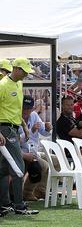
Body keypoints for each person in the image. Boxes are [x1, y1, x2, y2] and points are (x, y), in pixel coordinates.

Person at [0, 58, 39, 216]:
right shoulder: (2, 85)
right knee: (18, 167)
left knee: (3, 169)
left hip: (13, 128)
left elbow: (16, 109)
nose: (26, 75)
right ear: (16, 69)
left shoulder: (19, 83)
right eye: (24, 71)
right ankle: (19, 205)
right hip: (6, 129)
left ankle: (5, 204)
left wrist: (23, 125)